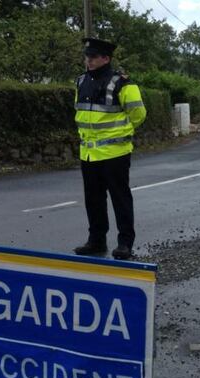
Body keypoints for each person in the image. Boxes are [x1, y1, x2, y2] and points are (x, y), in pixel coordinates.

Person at [73, 38, 146, 260]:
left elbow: (138, 115)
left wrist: (120, 134)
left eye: (93, 57)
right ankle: (96, 240)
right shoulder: (81, 81)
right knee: (93, 200)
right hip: (88, 153)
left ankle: (125, 243)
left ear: (106, 58)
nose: (89, 60)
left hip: (115, 153)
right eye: (87, 57)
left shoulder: (123, 83)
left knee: (120, 199)